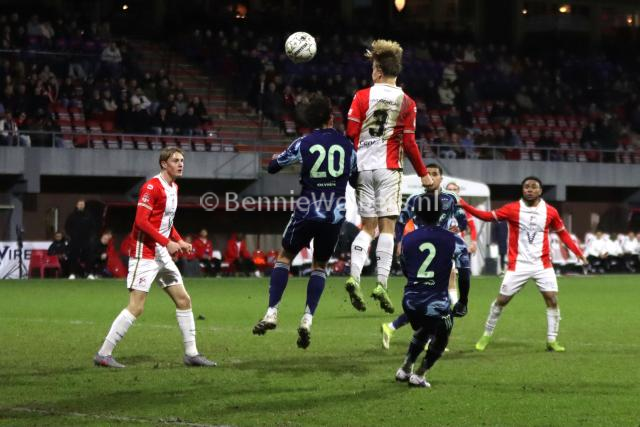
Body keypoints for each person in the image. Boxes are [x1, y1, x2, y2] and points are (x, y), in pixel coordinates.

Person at [94, 148, 216, 368]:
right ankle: (103, 353)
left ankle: (191, 354)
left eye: (182, 160)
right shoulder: (151, 187)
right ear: (163, 164)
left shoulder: (174, 187)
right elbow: (141, 221)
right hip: (145, 252)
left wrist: (179, 240)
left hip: (161, 253)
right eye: (175, 160)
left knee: (184, 300)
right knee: (136, 306)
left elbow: (166, 222)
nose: (181, 164)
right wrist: (166, 242)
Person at [252, 94, 356, 349]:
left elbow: (273, 167)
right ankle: (308, 318)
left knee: (285, 256)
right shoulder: (347, 145)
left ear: (309, 121)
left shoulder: (303, 142)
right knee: (320, 265)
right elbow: (355, 179)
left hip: (308, 209)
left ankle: (272, 312)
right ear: (331, 118)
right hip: (334, 213)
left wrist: (276, 159)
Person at [344, 39, 433, 314]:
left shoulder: (361, 96)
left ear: (379, 71)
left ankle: (354, 277)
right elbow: (410, 143)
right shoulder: (407, 102)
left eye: (373, 67)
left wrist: (353, 165)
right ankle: (381, 284)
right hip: (389, 168)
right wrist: (424, 175)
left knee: (367, 227)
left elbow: (351, 134)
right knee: (388, 228)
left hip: (363, 168)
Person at [461, 177, 587, 352]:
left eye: (534, 187)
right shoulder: (512, 209)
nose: (529, 190)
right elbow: (487, 216)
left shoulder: (550, 211)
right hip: (518, 264)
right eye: (526, 187)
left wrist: (578, 252)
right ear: (522, 190)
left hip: (543, 264)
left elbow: (562, 233)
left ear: (540, 191)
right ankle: (486, 334)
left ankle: (552, 340)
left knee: (551, 299)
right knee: (502, 300)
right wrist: (464, 205)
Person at [381, 165, 468, 349]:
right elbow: (401, 221)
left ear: (441, 178)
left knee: (433, 295)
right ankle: (427, 337)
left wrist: (458, 228)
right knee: (432, 296)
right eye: (427, 174)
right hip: (422, 252)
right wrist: (399, 242)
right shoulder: (415, 199)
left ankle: (399, 329)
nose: (430, 177)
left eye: (435, 174)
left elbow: (462, 219)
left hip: (442, 249)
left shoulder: (451, 198)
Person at [394, 193, 470, 388]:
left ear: (417, 214)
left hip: (410, 301)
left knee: (426, 328)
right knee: (443, 335)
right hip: (436, 302)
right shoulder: (453, 240)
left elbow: (405, 267)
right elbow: (464, 272)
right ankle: (420, 374)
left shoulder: (408, 239)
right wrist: (463, 301)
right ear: (441, 213)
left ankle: (405, 368)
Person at [65, 199, 97, 279]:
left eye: (82, 204)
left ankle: (89, 273)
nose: (81, 206)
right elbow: (67, 227)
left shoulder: (89, 216)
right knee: (73, 257)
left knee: (88, 257)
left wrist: (91, 237)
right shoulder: (72, 216)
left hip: (86, 240)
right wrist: (72, 235)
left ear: (84, 205)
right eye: (80, 204)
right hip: (75, 240)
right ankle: (72, 273)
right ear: (77, 205)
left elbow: (93, 227)